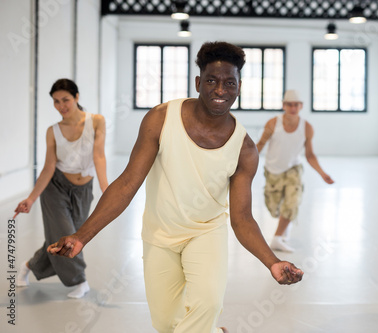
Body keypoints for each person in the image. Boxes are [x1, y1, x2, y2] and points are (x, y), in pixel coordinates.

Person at [48, 42, 303, 333]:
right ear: (198, 82)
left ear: (239, 87)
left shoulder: (244, 149)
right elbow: (128, 182)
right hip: (160, 233)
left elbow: (242, 218)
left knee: (207, 304)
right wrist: (81, 237)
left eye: (229, 83)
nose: (220, 90)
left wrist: (272, 262)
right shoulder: (161, 119)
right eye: (211, 81)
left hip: (206, 233)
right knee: (167, 324)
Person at [14, 78, 108, 298]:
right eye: (56, 102)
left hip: (83, 189)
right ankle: (79, 280)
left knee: (64, 236)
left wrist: (107, 190)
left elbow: (99, 157)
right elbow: (48, 167)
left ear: (76, 98)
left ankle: (28, 266)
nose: (61, 106)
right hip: (56, 187)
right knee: (67, 234)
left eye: (65, 99)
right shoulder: (52, 131)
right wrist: (31, 198)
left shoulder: (96, 121)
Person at [256, 89, 334, 252]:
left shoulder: (307, 128)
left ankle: (277, 238)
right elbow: (260, 145)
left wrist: (322, 173)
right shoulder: (273, 123)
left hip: (293, 170)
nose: (293, 108)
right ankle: (285, 225)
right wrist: (244, 165)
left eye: (296, 105)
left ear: (301, 106)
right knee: (273, 208)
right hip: (272, 171)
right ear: (284, 106)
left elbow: (310, 155)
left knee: (292, 202)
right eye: (289, 105)